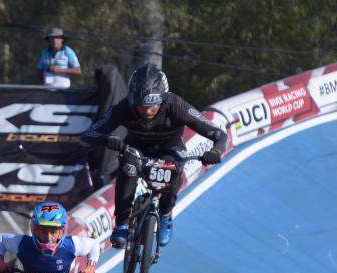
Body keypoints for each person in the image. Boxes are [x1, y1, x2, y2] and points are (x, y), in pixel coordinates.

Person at [80, 64, 229, 248]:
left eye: (153, 106)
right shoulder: (124, 107)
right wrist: (108, 139)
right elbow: (88, 135)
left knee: (173, 169)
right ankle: (121, 225)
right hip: (136, 148)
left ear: (163, 99)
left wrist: (215, 151)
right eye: (141, 106)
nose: (147, 111)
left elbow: (219, 134)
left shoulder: (176, 105)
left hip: (170, 148)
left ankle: (166, 214)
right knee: (128, 166)